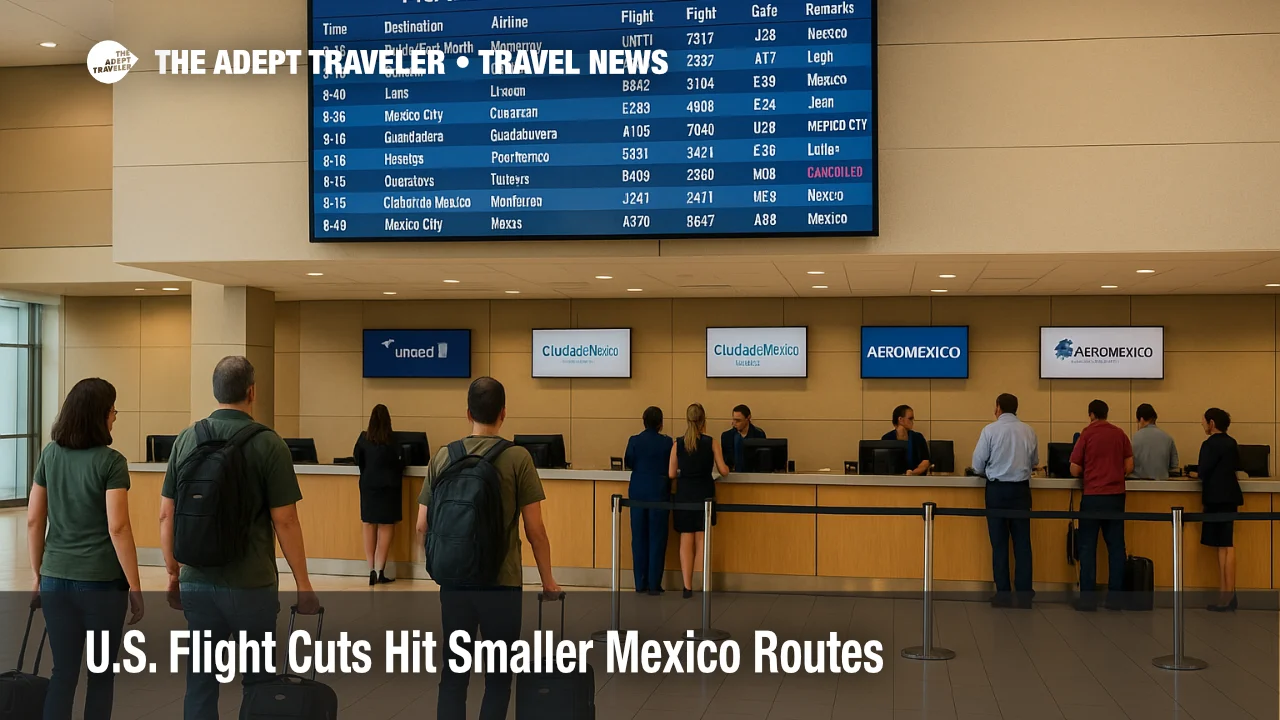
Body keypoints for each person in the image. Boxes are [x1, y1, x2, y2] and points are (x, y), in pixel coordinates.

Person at [159, 356, 319, 720]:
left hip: (196, 581)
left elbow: (166, 513)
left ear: (215, 391)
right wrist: (303, 583)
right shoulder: (269, 444)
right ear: (252, 392)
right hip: (252, 585)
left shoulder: (186, 439)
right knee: (259, 683)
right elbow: (287, 521)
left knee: (200, 682)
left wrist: (173, 572)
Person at [417, 377, 559, 720]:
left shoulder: (442, 457)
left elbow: (422, 525)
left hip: (454, 583)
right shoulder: (517, 458)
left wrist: (440, 564)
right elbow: (535, 530)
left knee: (453, 676)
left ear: (468, 413)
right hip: (502, 584)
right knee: (498, 680)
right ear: (503, 413)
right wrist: (548, 581)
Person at [27, 378, 144, 720]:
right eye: (112, 410)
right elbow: (118, 526)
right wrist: (135, 586)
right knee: (101, 675)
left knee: (62, 673)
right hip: (101, 583)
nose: (115, 417)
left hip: (55, 578)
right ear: (98, 415)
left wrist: (38, 575)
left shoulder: (50, 454)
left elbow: (35, 520)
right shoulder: (111, 463)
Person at [972, 393, 1038, 608]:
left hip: (997, 491)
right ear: (1016, 408)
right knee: (1022, 545)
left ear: (998, 407)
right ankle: (1025, 594)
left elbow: (977, 465)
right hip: (1020, 491)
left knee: (999, 545)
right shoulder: (1028, 430)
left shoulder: (989, 430)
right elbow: (1035, 461)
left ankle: (1003, 594)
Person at [1069, 399, 1133, 611]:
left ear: (1091, 414)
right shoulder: (1120, 434)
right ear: (1106, 413)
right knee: (1116, 547)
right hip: (1116, 497)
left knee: (1087, 547)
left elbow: (1075, 469)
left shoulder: (1087, 434)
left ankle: (1088, 600)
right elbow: (1129, 466)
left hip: (1092, 496)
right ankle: (1115, 599)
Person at [671, 403, 730, 599]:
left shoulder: (677, 443)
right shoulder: (711, 442)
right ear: (704, 420)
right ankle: (702, 584)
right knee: (702, 539)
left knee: (685, 539)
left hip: (685, 493)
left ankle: (687, 587)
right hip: (704, 492)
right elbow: (723, 470)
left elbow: (671, 473)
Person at [1197, 407, 1243, 612]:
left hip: (1214, 498)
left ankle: (1225, 596)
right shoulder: (1232, 443)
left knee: (1221, 546)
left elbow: (1202, 471)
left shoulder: (1208, 445)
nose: (1203, 425)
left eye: (1204, 422)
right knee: (1227, 544)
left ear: (1212, 423)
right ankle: (1228, 593)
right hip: (1230, 496)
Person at [354, 404, 406, 586]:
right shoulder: (394, 440)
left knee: (368, 524)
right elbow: (401, 463)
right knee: (386, 525)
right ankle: (380, 569)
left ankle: (370, 570)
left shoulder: (363, 438)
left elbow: (358, 460)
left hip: (368, 485)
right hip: (389, 487)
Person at [624, 406, 672, 595]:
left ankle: (639, 583)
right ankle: (654, 584)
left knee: (638, 539)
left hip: (637, 493)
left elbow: (629, 462)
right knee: (657, 539)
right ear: (661, 423)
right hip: (658, 493)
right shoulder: (667, 442)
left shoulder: (634, 441)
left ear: (643, 421)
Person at [1131, 403, 1179, 479]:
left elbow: (1129, 464)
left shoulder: (1134, 438)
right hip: (1162, 485)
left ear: (1141, 419)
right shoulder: (1168, 438)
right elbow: (1174, 467)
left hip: (1138, 485)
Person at [882, 404, 931, 476]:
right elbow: (884, 463)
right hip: (893, 480)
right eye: (910, 419)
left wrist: (913, 473)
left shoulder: (918, 437)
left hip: (916, 479)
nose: (912, 421)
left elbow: (926, 461)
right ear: (900, 420)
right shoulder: (887, 438)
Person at [720, 404, 765, 471]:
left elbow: (761, 460)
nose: (734, 423)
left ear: (748, 418)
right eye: (734, 420)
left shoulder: (759, 434)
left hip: (753, 474)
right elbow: (725, 460)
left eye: (738, 421)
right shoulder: (726, 436)